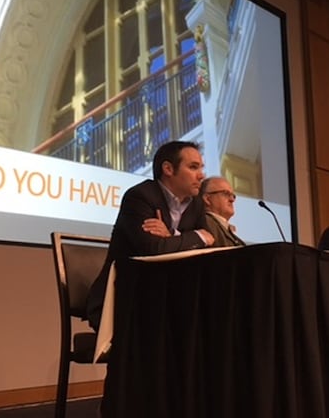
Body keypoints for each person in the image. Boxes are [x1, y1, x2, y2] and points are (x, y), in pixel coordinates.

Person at [86, 140, 215, 331]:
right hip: (127, 299)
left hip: (169, 296)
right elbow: (153, 249)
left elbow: (210, 246)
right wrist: (197, 236)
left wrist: (171, 234)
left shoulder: (195, 204)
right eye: (193, 167)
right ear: (168, 169)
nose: (201, 175)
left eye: (201, 168)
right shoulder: (139, 197)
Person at [199, 176, 246, 247]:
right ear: (207, 199)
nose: (232, 200)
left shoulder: (234, 236)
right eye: (226, 193)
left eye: (233, 195)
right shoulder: (205, 222)